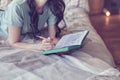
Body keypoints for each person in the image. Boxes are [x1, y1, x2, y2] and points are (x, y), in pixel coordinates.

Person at [0, 0, 65, 50]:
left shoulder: (52, 6)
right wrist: (37, 46)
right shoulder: (17, 6)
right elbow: (13, 42)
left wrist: (57, 42)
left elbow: (52, 39)